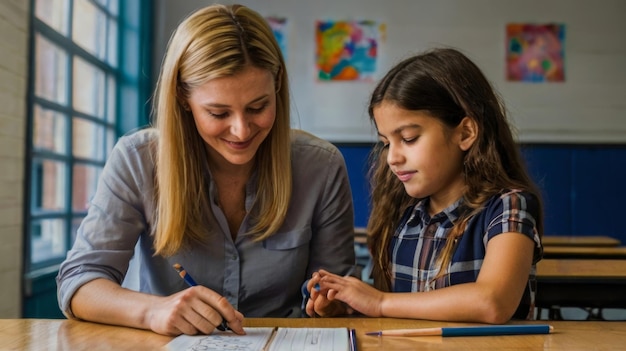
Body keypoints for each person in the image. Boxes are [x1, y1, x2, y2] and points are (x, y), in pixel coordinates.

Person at [56, 4, 356, 336]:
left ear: (278, 86)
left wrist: (330, 301)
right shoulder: (137, 159)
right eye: (218, 112)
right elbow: (79, 281)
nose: (241, 130)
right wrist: (152, 311)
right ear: (183, 97)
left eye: (258, 107)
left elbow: (339, 292)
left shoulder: (321, 166)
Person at [305, 47, 543, 324]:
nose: (393, 157)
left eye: (408, 138)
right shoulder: (402, 213)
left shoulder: (508, 207)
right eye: (385, 143)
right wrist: (345, 307)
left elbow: (493, 302)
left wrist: (379, 302)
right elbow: (396, 309)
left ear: (465, 133)